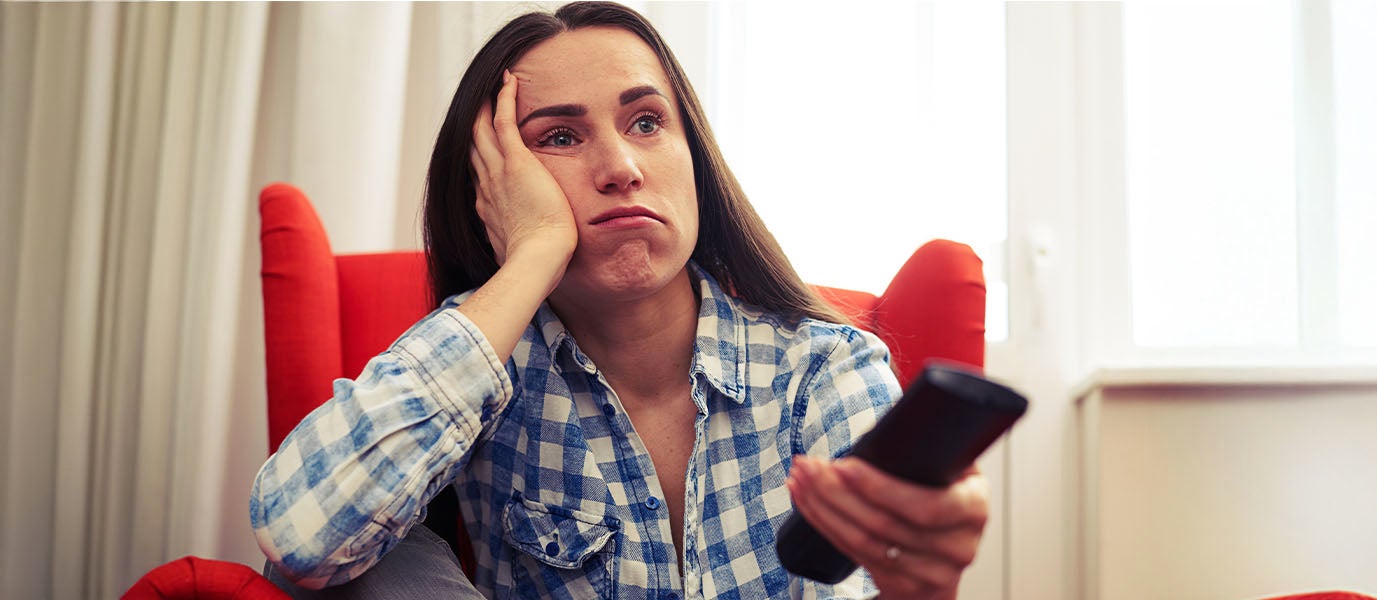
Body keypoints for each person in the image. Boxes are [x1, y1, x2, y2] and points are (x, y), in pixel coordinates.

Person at [249, 3, 989, 599]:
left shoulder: (827, 367)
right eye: (559, 137)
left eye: (646, 122)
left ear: (693, 155)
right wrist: (533, 254)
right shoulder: (486, 373)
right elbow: (299, 536)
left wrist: (917, 590)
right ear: (496, 186)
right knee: (374, 552)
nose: (622, 167)